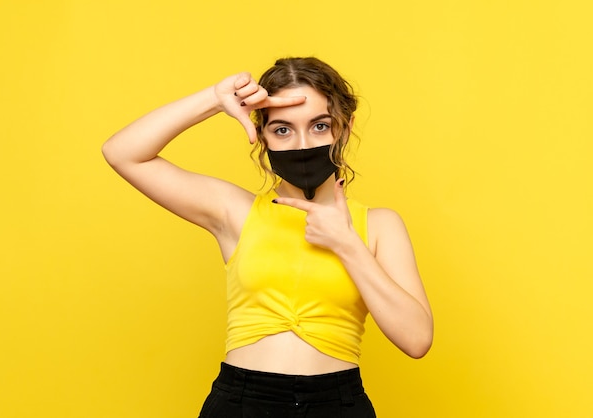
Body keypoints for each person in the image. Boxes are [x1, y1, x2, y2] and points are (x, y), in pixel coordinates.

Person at [102, 57, 433, 417]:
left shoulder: (379, 225)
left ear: (345, 128)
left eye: (319, 126)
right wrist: (216, 98)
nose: (302, 143)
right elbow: (123, 153)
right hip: (243, 402)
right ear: (261, 135)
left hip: (337, 404)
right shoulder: (235, 212)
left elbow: (416, 340)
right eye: (282, 130)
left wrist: (346, 243)